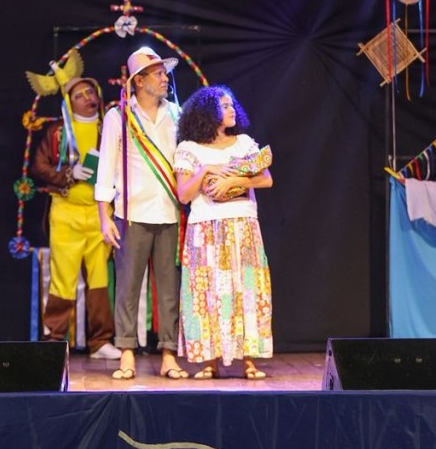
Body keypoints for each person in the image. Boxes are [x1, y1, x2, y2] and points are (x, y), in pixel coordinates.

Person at [94, 47, 186, 381]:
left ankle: (168, 354)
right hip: (131, 214)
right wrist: (105, 217)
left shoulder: (177, 114)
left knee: (168, 288)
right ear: (139, 81)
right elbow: (105, 169)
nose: (165, 78)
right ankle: (127, 352)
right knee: (128, 287)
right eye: (158, 73)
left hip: (169, 211)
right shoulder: (118, 116)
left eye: (164, 73)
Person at [173, 87, 274, 379]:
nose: (232, 110)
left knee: (245, 290)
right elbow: (183, 194)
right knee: (209, 293)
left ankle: (249, 360)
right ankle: (209, 360)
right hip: (205, 228)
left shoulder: (243, 143)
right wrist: (204, 171)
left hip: (242, 224)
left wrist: (232, 181)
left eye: (232, 105)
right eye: (224, 105)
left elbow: (265, 179)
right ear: (207, 113)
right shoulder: (189, 149)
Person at [29, 74, 118, 358]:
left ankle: (101, 342)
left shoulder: (110, 129)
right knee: (62, 278)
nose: (87, 98)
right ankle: (55, 341)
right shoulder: (57, 131)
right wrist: (69, 173)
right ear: (69, 102)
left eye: (90, 92)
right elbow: (38, 166)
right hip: (66, 212)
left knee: (100, 277)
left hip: (100, 214)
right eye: (78, 95)